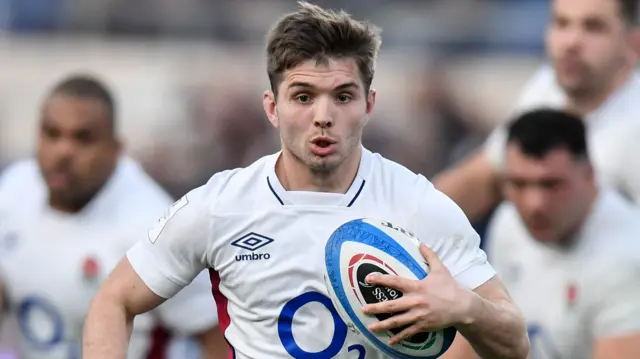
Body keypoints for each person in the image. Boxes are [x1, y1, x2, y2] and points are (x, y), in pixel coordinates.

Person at [83, 2, 529, 359]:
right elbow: (114, 299)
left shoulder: (417, 206)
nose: (323, 116)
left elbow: (515, 344)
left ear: (369, 104)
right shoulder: (222, 205)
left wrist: (466, 309)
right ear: (271, 107)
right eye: (302, 96)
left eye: (343, 96)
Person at [0, 75, 228, 359]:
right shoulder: (13, 190)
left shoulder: (154, 225)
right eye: (52, 133)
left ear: (116, 149)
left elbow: (216, 333)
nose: (63, 151)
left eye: (83, 138)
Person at [434, 0, 640, 221]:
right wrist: (407, 221)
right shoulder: (548, 86)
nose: (571, 42)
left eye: (593, 27)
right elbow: (483, 176)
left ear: (632, 43)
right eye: (561, 24)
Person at [486, 109, 640, 359]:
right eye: (519, 184)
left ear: (589, 175)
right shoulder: (507, 223)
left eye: (551, 184)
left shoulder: (626, 259)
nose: (534, 203)